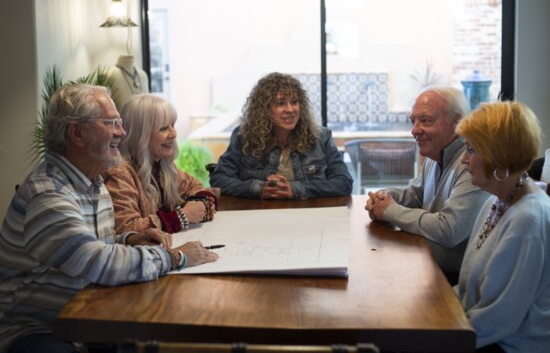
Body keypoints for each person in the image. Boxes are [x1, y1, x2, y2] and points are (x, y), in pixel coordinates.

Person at [0, 84, 218, 353]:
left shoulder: (92, 182)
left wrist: (128, 238)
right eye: (111, 123)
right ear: (77, 133)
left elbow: (90, 245)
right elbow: (97, 262)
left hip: (90, 317)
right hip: (41, 330)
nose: (122, 132)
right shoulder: (49, 195)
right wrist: (176, 257)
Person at [364, 86, 490, 284]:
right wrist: (384, 197)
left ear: (458, 121)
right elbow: (417, 194)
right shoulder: (435, 152)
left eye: (426, 120)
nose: (414, 130)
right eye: (413, 121)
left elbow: (449, 229)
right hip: (426, 265)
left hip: (454, 281)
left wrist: (389, 211)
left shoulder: (472, 163)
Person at [454, 101, 550, 352]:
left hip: (507, 345)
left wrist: (438, 336)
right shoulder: (495, 202)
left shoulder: (527, 220)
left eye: (471, 150)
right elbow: (469, 291)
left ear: (498, 158)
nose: (464, 159)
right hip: (482, 333)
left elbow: (499, 320)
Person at [210, 72, 353, 199]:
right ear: (264, 109)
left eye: (294, 102)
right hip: (258, 219)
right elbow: (219, 179)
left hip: (309, 219)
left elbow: (344, 183)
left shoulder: (321, 137)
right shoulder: (244, 137)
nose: (290, 109)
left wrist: (296, 189)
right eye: (280, 103)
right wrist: (259, 189)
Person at [104, 94, 217, 235]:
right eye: (163, 128)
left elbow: (197, 188)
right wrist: (182, 216)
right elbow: (126, 229)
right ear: (140, 135)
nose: (174, 134)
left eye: (173, 125)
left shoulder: (162, 166)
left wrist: (200, 204)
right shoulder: (120, 174)